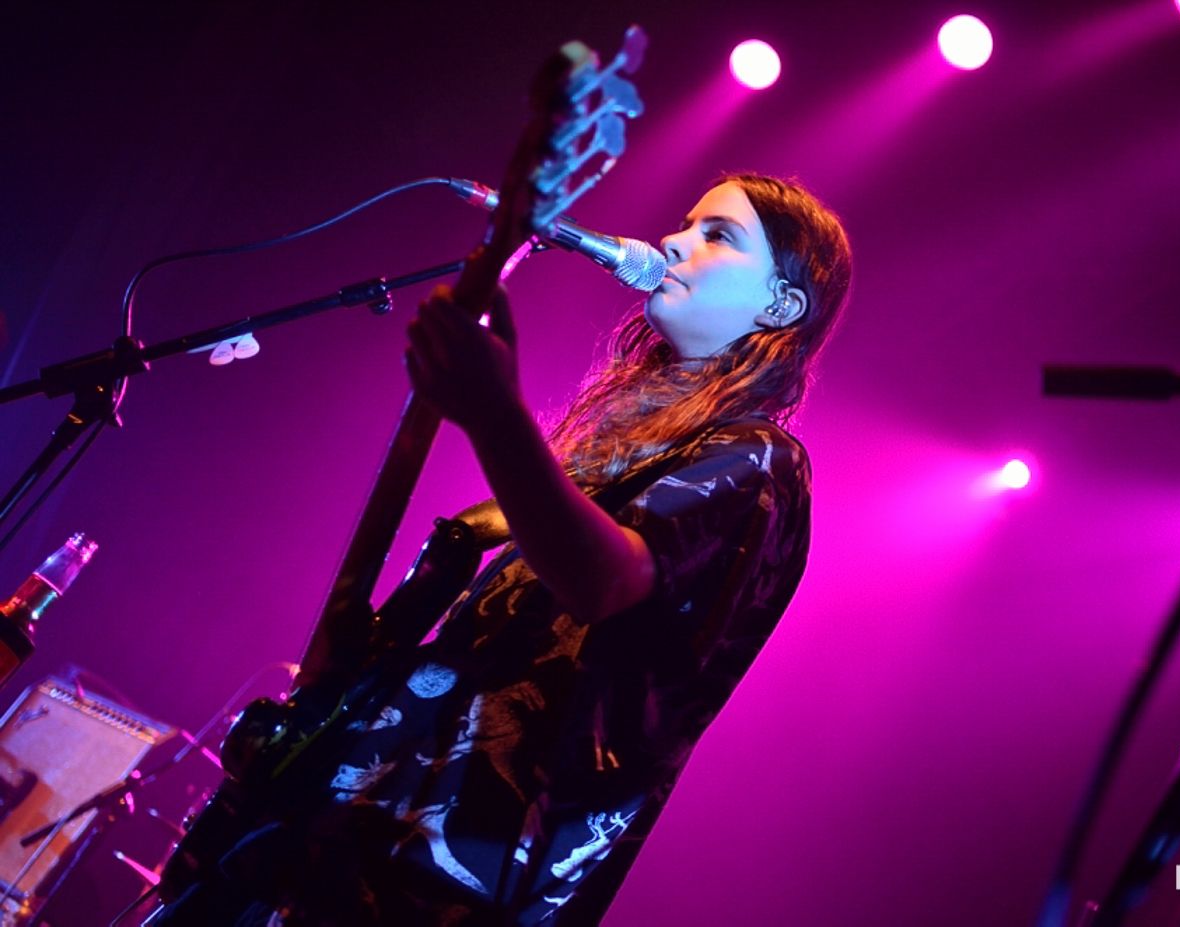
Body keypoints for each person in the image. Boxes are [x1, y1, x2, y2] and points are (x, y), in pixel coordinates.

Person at [159, 173, 852, 926]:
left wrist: (495, 413)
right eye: (687, 223)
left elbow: (604, 579)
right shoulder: (623, 451)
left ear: (781, 305)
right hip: (342, 833)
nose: (675, 241)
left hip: (451, 876)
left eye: (718, 236)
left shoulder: (761, 461)